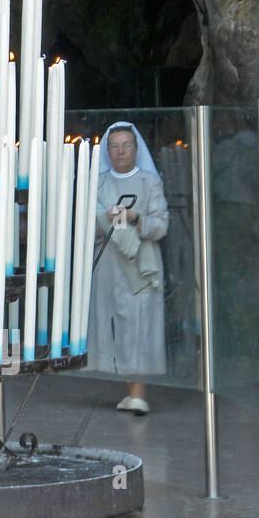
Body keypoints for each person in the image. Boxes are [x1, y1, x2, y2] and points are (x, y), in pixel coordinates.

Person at [88, 121, 170, 415]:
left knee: (138, 325)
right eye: (115, 146)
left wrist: (136, 218)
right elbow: (86, 221)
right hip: (109, 264)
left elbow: (161, 224)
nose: (121, 152)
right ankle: (130, 391)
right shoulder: (97, 183)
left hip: (140, 265)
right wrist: (104, 218)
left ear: (136, 150)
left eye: (126, 146)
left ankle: (138, 393)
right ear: (107, 151)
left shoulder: (150, 183)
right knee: (116, 325)